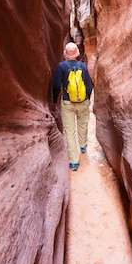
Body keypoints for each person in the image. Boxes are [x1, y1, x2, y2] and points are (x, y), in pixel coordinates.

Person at [52, 42, 93, 171]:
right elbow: (89, 85)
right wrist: (86, 98)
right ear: (77, 54)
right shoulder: (83, 66)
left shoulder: (61, 66)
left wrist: (54, 101)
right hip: (82, 102)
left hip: (67, 103)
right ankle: (83, 145)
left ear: (66, 54)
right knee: (83, 124)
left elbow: (56, 85)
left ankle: (74, 162)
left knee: (69, 132)